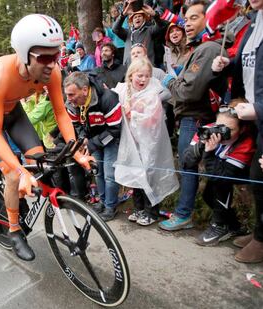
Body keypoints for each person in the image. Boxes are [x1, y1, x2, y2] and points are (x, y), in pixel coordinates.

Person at [0, 14, 94, 261]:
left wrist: (75, 151)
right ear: (23, 54)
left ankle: (25, 194)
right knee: (12, 173)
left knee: (38, 160)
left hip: (16, 112)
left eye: (57, 55)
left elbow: (61, 113)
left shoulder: (53, 72)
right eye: (44, 57)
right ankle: (14, 230)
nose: (52, 64)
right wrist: (19, 172)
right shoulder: (0, 74)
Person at [159, 0, 228, 232]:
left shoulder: (207, 49)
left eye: (194, 18)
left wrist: (169, 81)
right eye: (186, 19)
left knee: (189, 164)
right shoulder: (200, 48)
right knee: (190, 163)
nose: (187, 23)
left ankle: (184, 214)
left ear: (208, 18)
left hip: (195, 116)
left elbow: (188, 91)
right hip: (190, 116)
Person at [211, 0, 263, 263]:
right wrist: (228, 64)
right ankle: (260, 233)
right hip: (254, 116)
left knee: (259, 174)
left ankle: (262, 240)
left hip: (259, 113)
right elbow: (251, 66)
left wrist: (259, 109)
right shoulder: (255, 21)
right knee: (255, 176)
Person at [113, 57, 178, 225]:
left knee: (150, 175)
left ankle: (152, 212)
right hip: (133, 142)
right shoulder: (124, 91)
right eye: (139, 75)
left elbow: (152, 119)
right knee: (136, 173)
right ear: (131, 75)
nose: (143, 79)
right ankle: (139, 208)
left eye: (147, 76)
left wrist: (132, 114)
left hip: (149, 143)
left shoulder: (152, 94)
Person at [182, 105, 255, 245]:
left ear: (241, 128)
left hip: (243, 172)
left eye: (230, 129)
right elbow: (187, 162)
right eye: (219, 126)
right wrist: (201, 145)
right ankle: (234, 226)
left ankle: (219, 225)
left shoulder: (246, 141)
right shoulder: (208, 129)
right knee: (208, 195)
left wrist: (209, 154)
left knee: (220, 186)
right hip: (219, 167)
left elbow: (223, 176)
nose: (222, 132)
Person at [64, 72, 122, 222]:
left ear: (84, 90)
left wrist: (92, 143)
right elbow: (77, 125)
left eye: (71, 95)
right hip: (93, 139)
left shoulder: (108, 98)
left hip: (110, 138)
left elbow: (116, 129)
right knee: (97, 172)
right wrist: (83, 138)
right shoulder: (72, 105)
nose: (68, 99)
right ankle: (102, 202)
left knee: (109, 174)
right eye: (67, 95)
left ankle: (110, 206)